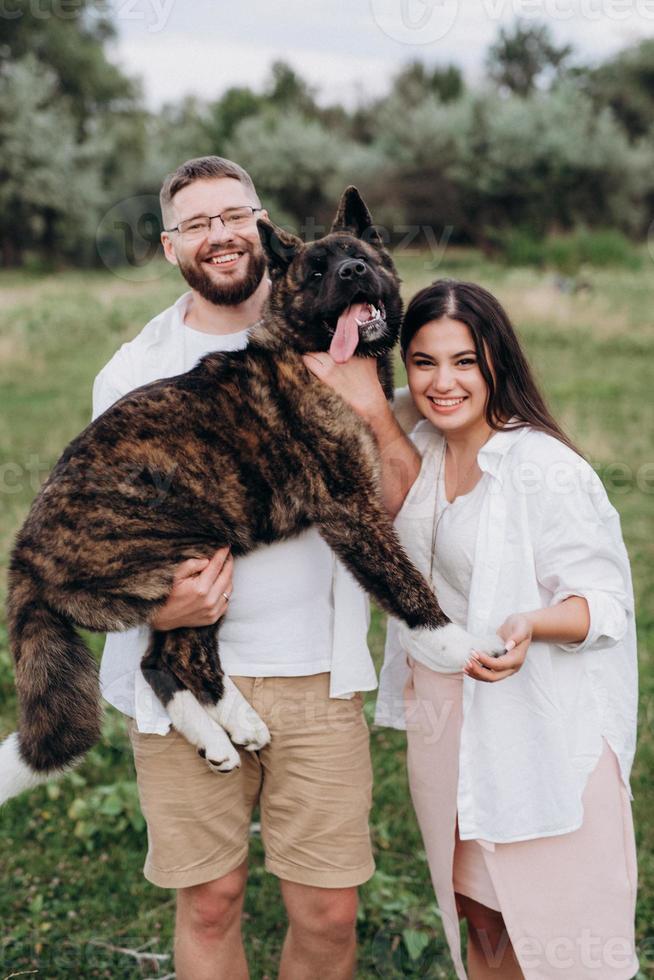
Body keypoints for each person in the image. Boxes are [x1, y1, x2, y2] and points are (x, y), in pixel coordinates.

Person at [304, 278, 638, 980]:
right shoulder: (415, 441)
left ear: (497, 364)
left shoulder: (544, 469)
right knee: (477, 917)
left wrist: (531, 624)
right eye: (424, 361)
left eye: (465, 361)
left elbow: (604, 602)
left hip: (536, 726)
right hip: (445, 722)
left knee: (559, 931)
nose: (443, 381)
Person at [93, 156, 377, 980]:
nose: (218, 235)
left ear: (260, 221)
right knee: (210, 900)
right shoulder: (132, 371)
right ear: (168, 246)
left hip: (315, 672)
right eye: (195, 223)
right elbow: (100, 526)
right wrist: (157, 605)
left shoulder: (330, 336)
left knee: (327, 910)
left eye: (233, 214)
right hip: (185, 676)